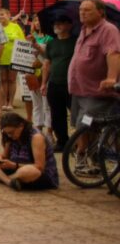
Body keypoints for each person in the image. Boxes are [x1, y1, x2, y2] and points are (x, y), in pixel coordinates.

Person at [67, 0, 120, 154]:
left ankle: (82, 157)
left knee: (85, 125)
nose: (82, 13)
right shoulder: (84, 30)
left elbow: (114, 54)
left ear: (100, 12)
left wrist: (111, 78)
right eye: (81, 10)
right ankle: (92, 158)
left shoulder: (108, 30)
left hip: (96, 92)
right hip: (79, 91)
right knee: (80, 124)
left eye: (87, 10)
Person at [0, 112, 59, 191]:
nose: (10, 135)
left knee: (29, 171)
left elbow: (40, 167)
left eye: (12, 132)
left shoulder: (36, 137)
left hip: (37, 174)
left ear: (21, 126)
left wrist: (14, 166)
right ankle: (9, 181)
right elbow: (5, 155)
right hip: (15, 167)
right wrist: (0, 157)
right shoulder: (8, 135)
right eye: (7, 133)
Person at [41, 14, 75, 149]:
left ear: (69, 25)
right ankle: (62, 141)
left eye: (61, 23)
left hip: (72, 84)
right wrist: (44, 83)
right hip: (54, 83)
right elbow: (47, 63)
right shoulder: (51, 43)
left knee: (75, 113)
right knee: (56, 114)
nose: (57, 26)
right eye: (55, 23)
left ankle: (80, 140)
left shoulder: (76, 42)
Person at [24, 15, 51, 140]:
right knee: (36, 103)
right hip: (32, 73)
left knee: (47, 104)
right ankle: (37, 130)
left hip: (47, 74)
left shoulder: (50, 37)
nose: (38, 23)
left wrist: (36, 47)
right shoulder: (30, 37)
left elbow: (49, 55)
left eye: (40, 20)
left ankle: (49, 132)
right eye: (35, 20)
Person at [0, 7, 26, 113]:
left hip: (14, 58)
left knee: (12, 80)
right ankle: (4, 102)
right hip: (0, 59)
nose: (1, 16)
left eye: (3, 14)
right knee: (3, 80)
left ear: (9, 15)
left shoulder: (15, 27)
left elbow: (22, 41)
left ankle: (11, 103)